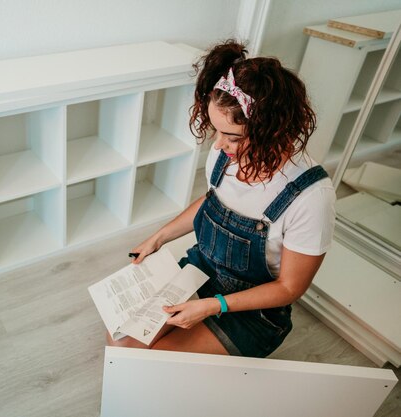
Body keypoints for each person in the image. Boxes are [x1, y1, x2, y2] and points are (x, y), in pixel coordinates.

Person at [107, 40, 336, 358]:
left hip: (253, 310)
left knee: (152, 363)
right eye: (216, 130)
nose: (218, 144)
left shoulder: (311, 198)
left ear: (273, 130)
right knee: (121, 343)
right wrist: (157, 238)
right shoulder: (223, 156)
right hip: (201, 271)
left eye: (232, 136)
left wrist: (213, 306)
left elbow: (289, 289)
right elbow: (213, 202)